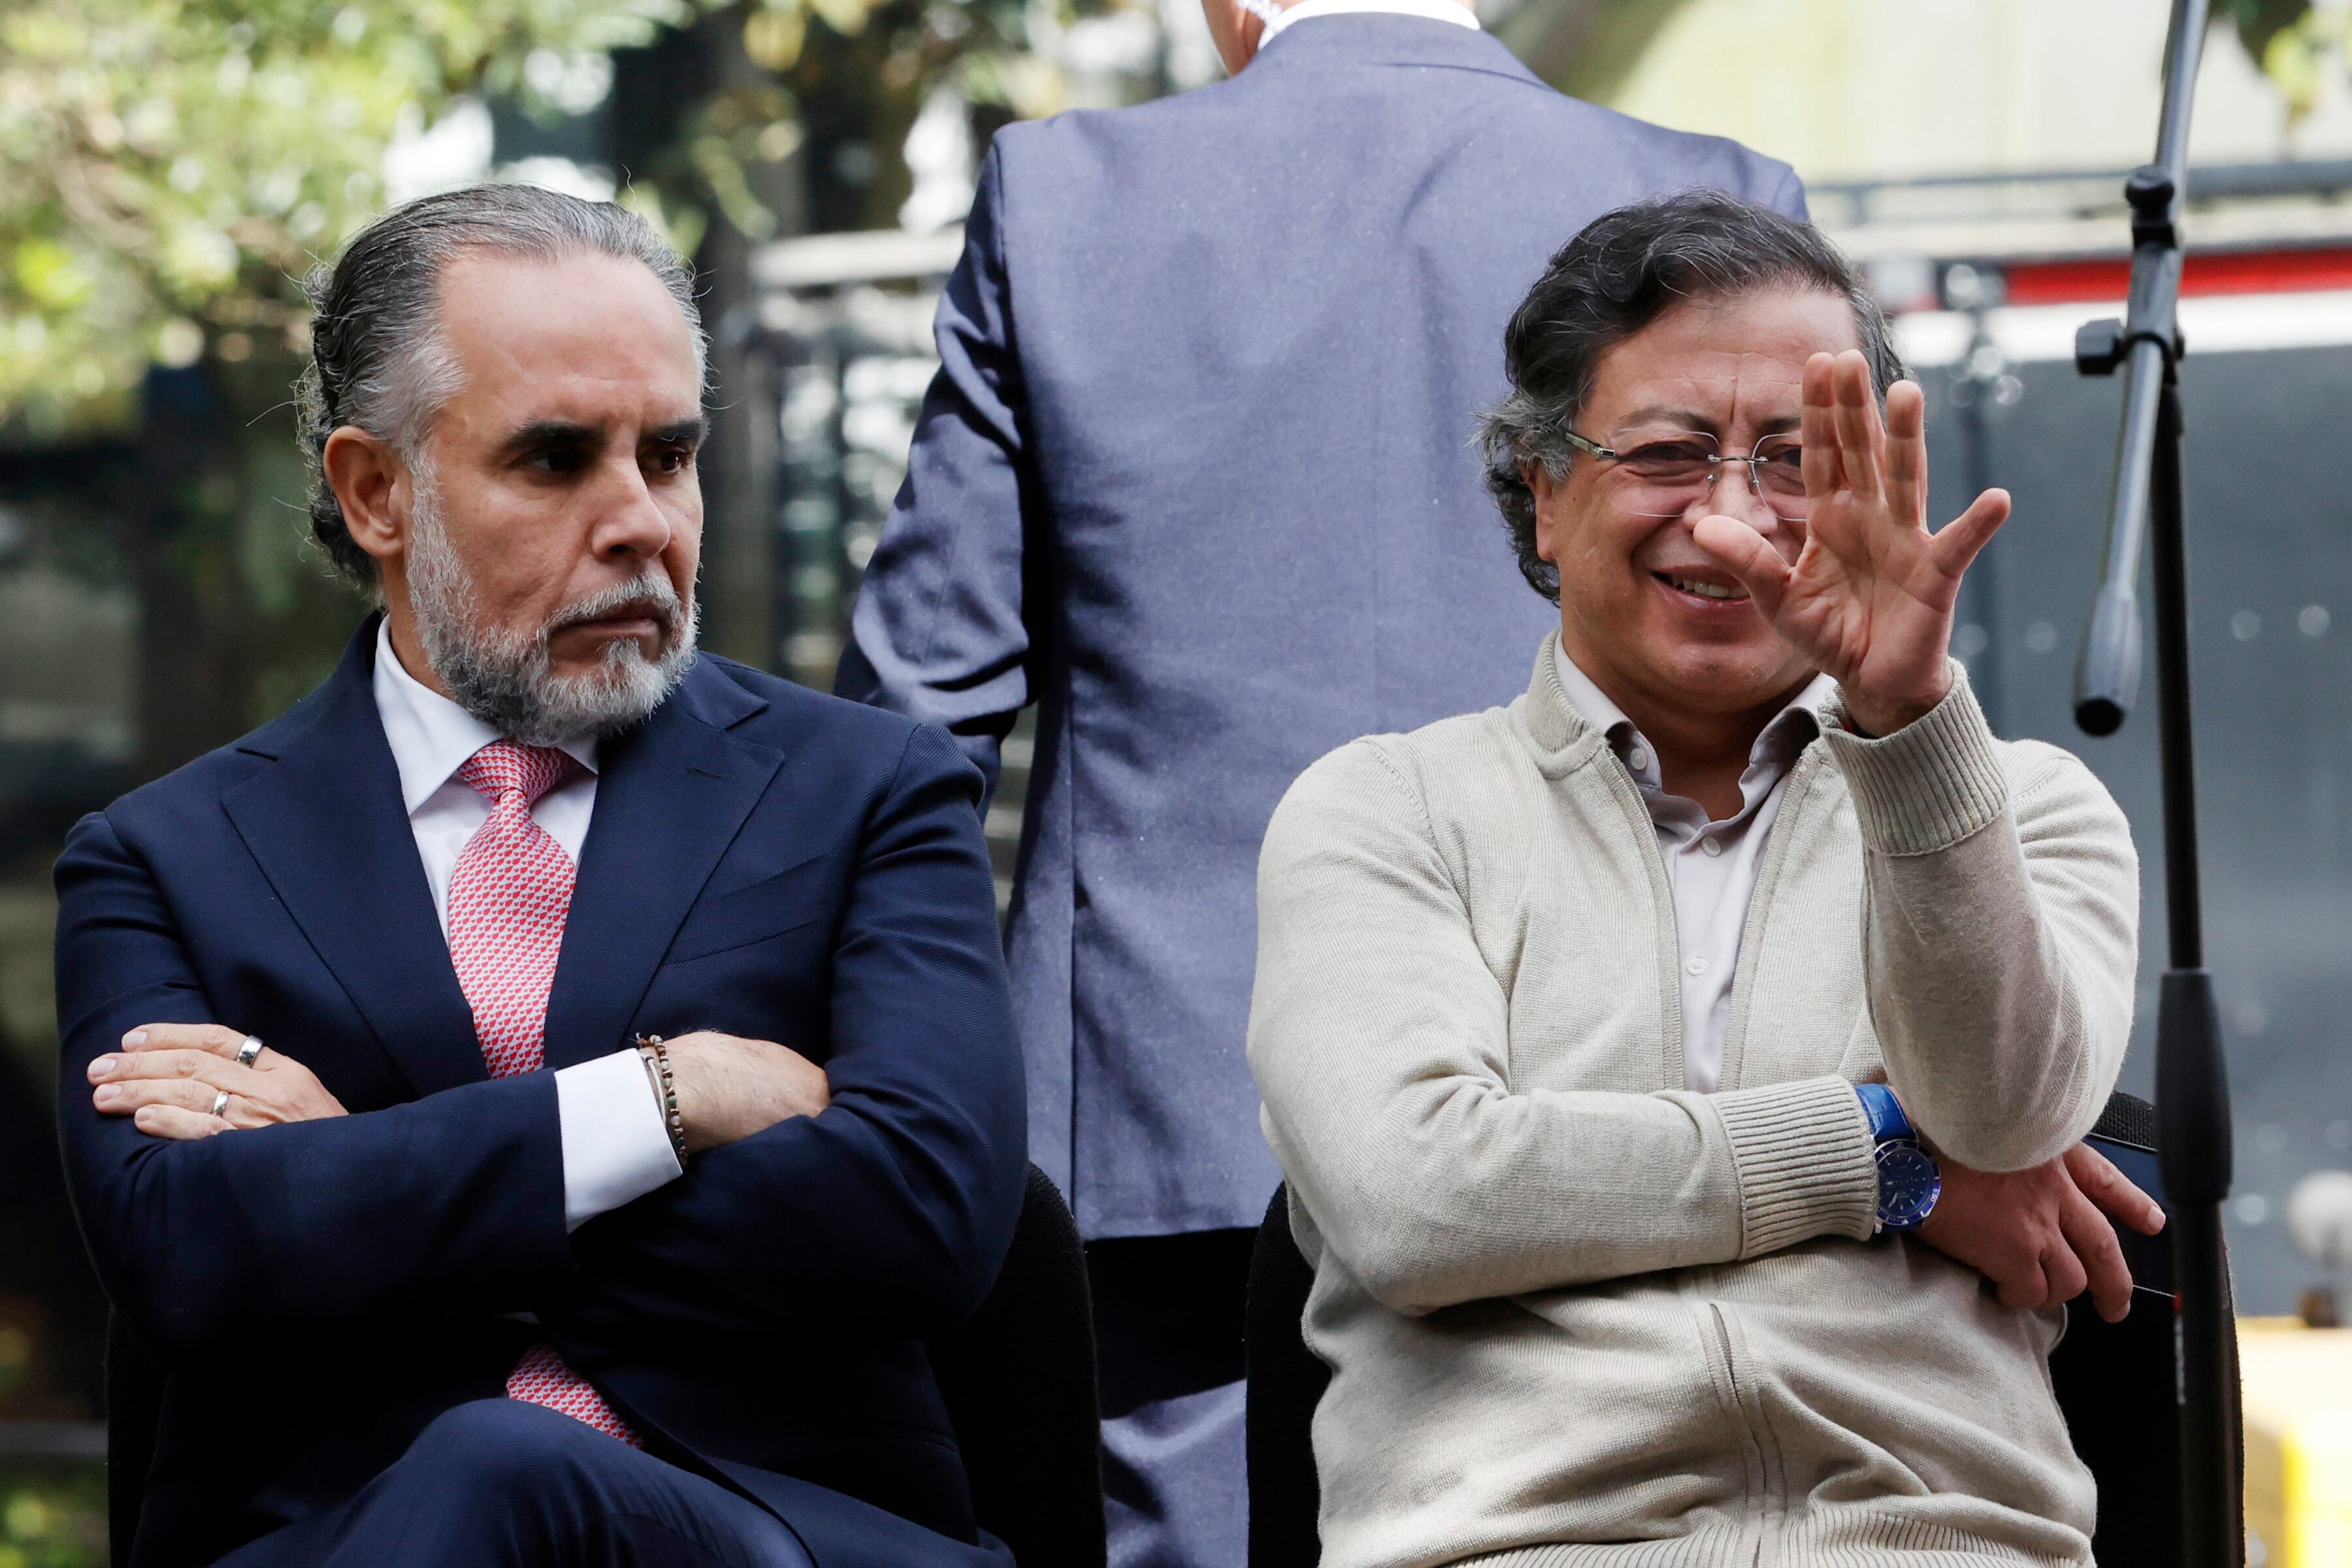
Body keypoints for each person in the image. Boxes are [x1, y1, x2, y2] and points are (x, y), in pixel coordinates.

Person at [836, 1, 1807, 1555]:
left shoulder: (1065, 196)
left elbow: (918, 717)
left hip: (1174, 1119)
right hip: (1619, 1105)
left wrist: (866, 1095)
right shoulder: (1717, 203)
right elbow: (1811, 671)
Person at [54, 184, 1026, 1568]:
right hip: (342, 1537)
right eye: (556, 459)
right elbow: (187, 1264)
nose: (639, 520)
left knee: (507, 1465)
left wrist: (368, 1171)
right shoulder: (165, 858)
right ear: (377, 492)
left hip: (781, 1533)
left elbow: (926, 1221)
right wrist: (668, 1098)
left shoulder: (868, 792)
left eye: (670, 455)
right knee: (487, 1470)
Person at [1247, 191, 2166, 1567]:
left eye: (1794, 460)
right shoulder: (1389, 812)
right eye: (1670, 453)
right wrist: (1885, 1159)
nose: (1732, 518)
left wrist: (1907, 722)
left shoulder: (2023, 805)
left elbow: (2005, 1113)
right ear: (1544, 493)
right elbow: (1419, 1202)